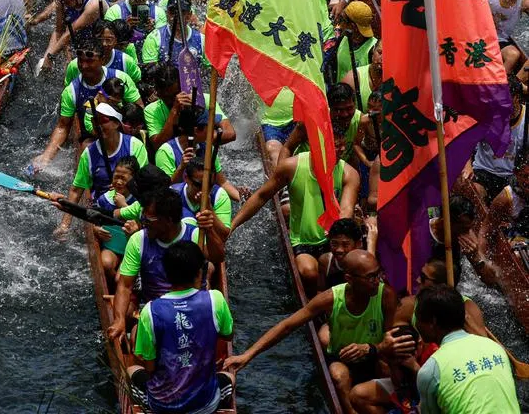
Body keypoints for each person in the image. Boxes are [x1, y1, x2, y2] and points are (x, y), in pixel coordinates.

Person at [223, 250, 399, 414]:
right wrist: (248, 354)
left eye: (378, 274)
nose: (377, 281)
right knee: (338, 375)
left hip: (374, 354)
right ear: (349, 279)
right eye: (371, 277)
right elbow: (287, 325)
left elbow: (389, 340)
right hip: (342, 358)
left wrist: (371, 348)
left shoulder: (386, 295)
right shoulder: (330, 298)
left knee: (387, 365)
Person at [229, 128, 359, 293]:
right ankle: (314, 301)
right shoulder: (292, 166)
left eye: (342, 146)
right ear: (317, 146)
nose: (340, 151)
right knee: (309, 272)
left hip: (332, 240)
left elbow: (346, 209)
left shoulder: (349, 173)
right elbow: (262, 196)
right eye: (334, 147)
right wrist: (232, 226)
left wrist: (336, 233)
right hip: (303, 241)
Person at [126, 240, 233, 414]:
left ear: (166, 275)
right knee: (229, 378)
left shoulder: (150, 310)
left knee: (131, 370)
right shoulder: (216, 299)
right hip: (204, 406)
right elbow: (228, 335)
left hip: (163, 407)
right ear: (200, 272)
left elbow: (150, 367)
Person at [108, 186, 225, 339]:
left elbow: (218, 257)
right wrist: (119, 320)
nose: (143, 223)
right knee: (136, 333)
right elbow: (125, 285)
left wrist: (209, 230)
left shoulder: (196, 235)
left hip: (194, 310)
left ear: (168, 220)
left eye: (148, 220)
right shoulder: (139, 240)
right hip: (154, 312)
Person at [32, 38, 142, 170]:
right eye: (80, 61)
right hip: (94, 136)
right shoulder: (71, 91)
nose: (83, 66)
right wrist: (46, 156)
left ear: (102, 60)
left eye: (89, 61)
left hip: (123, 133)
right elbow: (63, 126)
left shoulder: (121, 79)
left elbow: (139, 109)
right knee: (86, 146)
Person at [414, 284, 517, 412]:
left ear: (432, 322)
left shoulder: (431, 369)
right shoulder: (496, 348)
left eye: (417, 318)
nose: (415, 324)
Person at [53, 103, 149, 238]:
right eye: (94, 120)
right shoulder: (89, 154)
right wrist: (64, 225)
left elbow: (144, 185)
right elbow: (76, 190)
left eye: (102, 120)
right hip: (102, 211)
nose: (97, 124)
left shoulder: (135, 146)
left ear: (116, 124)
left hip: (131, 207)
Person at [471, 76, 526, 202]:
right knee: (474, 193)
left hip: (512, 176)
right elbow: (466, 142)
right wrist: (467, 166)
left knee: (504, 200)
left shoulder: (526, 121)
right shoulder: (486, 113)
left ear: (516, 98)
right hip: (483, 171)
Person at [483, 0, 529, 75]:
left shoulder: (523, 2)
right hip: (478, 34)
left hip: (499, 40)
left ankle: (499, 84)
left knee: (514, 55)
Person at [334, 1, 378, 84]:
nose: (339, 24)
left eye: (342, 20)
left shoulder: (373, 50)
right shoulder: (342, 39)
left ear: (353, 26)